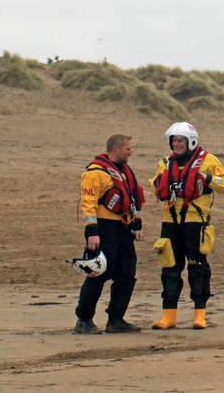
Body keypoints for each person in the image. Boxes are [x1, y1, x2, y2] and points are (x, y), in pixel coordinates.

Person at [149, 122, 224, 330]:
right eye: (174, 140)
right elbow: (155, 187)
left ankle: (199, 314)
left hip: (196, 222)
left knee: (198, 267)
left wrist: (208, 178)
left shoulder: (208, 161)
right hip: (170, 222)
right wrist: (160, 183)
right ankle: (169, 316)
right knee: (169, 268)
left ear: (190, 141)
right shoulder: (164, 163)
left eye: (180, 140)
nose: (176, 144)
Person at [75, 134, 145, 334]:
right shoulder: (95, 172)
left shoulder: (124, 172)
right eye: (128, 148)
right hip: (103, 229)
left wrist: (136, 226)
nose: (131, 152)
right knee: (98, 273)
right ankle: (83, 320)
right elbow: (88, 204)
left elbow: (130, 201)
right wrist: (92, 233)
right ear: (116, 149)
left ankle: (115, 319)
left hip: (123, 229)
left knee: (127, 273)